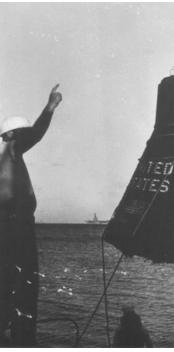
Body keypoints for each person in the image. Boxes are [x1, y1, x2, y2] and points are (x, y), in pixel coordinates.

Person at [0, 84, 61, 346]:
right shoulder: (12, 148)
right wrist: (49, 108)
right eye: (20, 134)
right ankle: (24, 342)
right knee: (25, 284)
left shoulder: (5, 155)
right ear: (11, 134)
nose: (25, 139)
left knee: (6, 283)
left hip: (6, 225)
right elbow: (35, 134)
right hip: (18, 227)